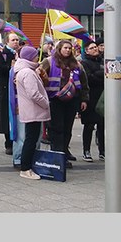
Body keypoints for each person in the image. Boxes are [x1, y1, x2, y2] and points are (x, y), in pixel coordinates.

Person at [40, 40, 89, 168]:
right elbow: (39, 76)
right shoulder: (49, 61)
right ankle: (57, 154)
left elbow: (84, 83)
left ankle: (64, 151)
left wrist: (84, 99)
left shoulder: (77, 64)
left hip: (71, 101)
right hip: (55, 100)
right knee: (57, 128)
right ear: (59, 49)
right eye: (65, 48)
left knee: (68, 129)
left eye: (69, 48)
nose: (67, 50)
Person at [14, 46, 50, 180]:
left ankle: (27, 166)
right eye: (35, 55)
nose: (37, 57)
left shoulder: (25, 70)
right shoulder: (27, 72)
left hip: (31, 110)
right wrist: (45, 103)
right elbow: (33, 93)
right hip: (33, 110)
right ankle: (26, 168)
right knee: (31, 139)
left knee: (31, 138)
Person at [0, 32, 20, 156]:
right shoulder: (2, 54)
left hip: (19, 90)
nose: (16, 42)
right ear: (7, 42)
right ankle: (8, 142)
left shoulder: (21, 53)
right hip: (6, 89)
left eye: (17, 40)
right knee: (7, 115)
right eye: (13, 40)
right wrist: (12, 65)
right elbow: (0, 69)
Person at [80, 40, 105, 162]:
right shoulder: (84, 63)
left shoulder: (103, 61)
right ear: (86, 50)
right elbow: (89, 78)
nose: (95, 49)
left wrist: (98, 74)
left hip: (102, 97)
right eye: (92, 47)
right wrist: (102, 74)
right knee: (89, 126)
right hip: (90, 97)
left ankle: (102, 150)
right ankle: (86, 150)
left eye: (96, 47)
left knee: (102, 125)